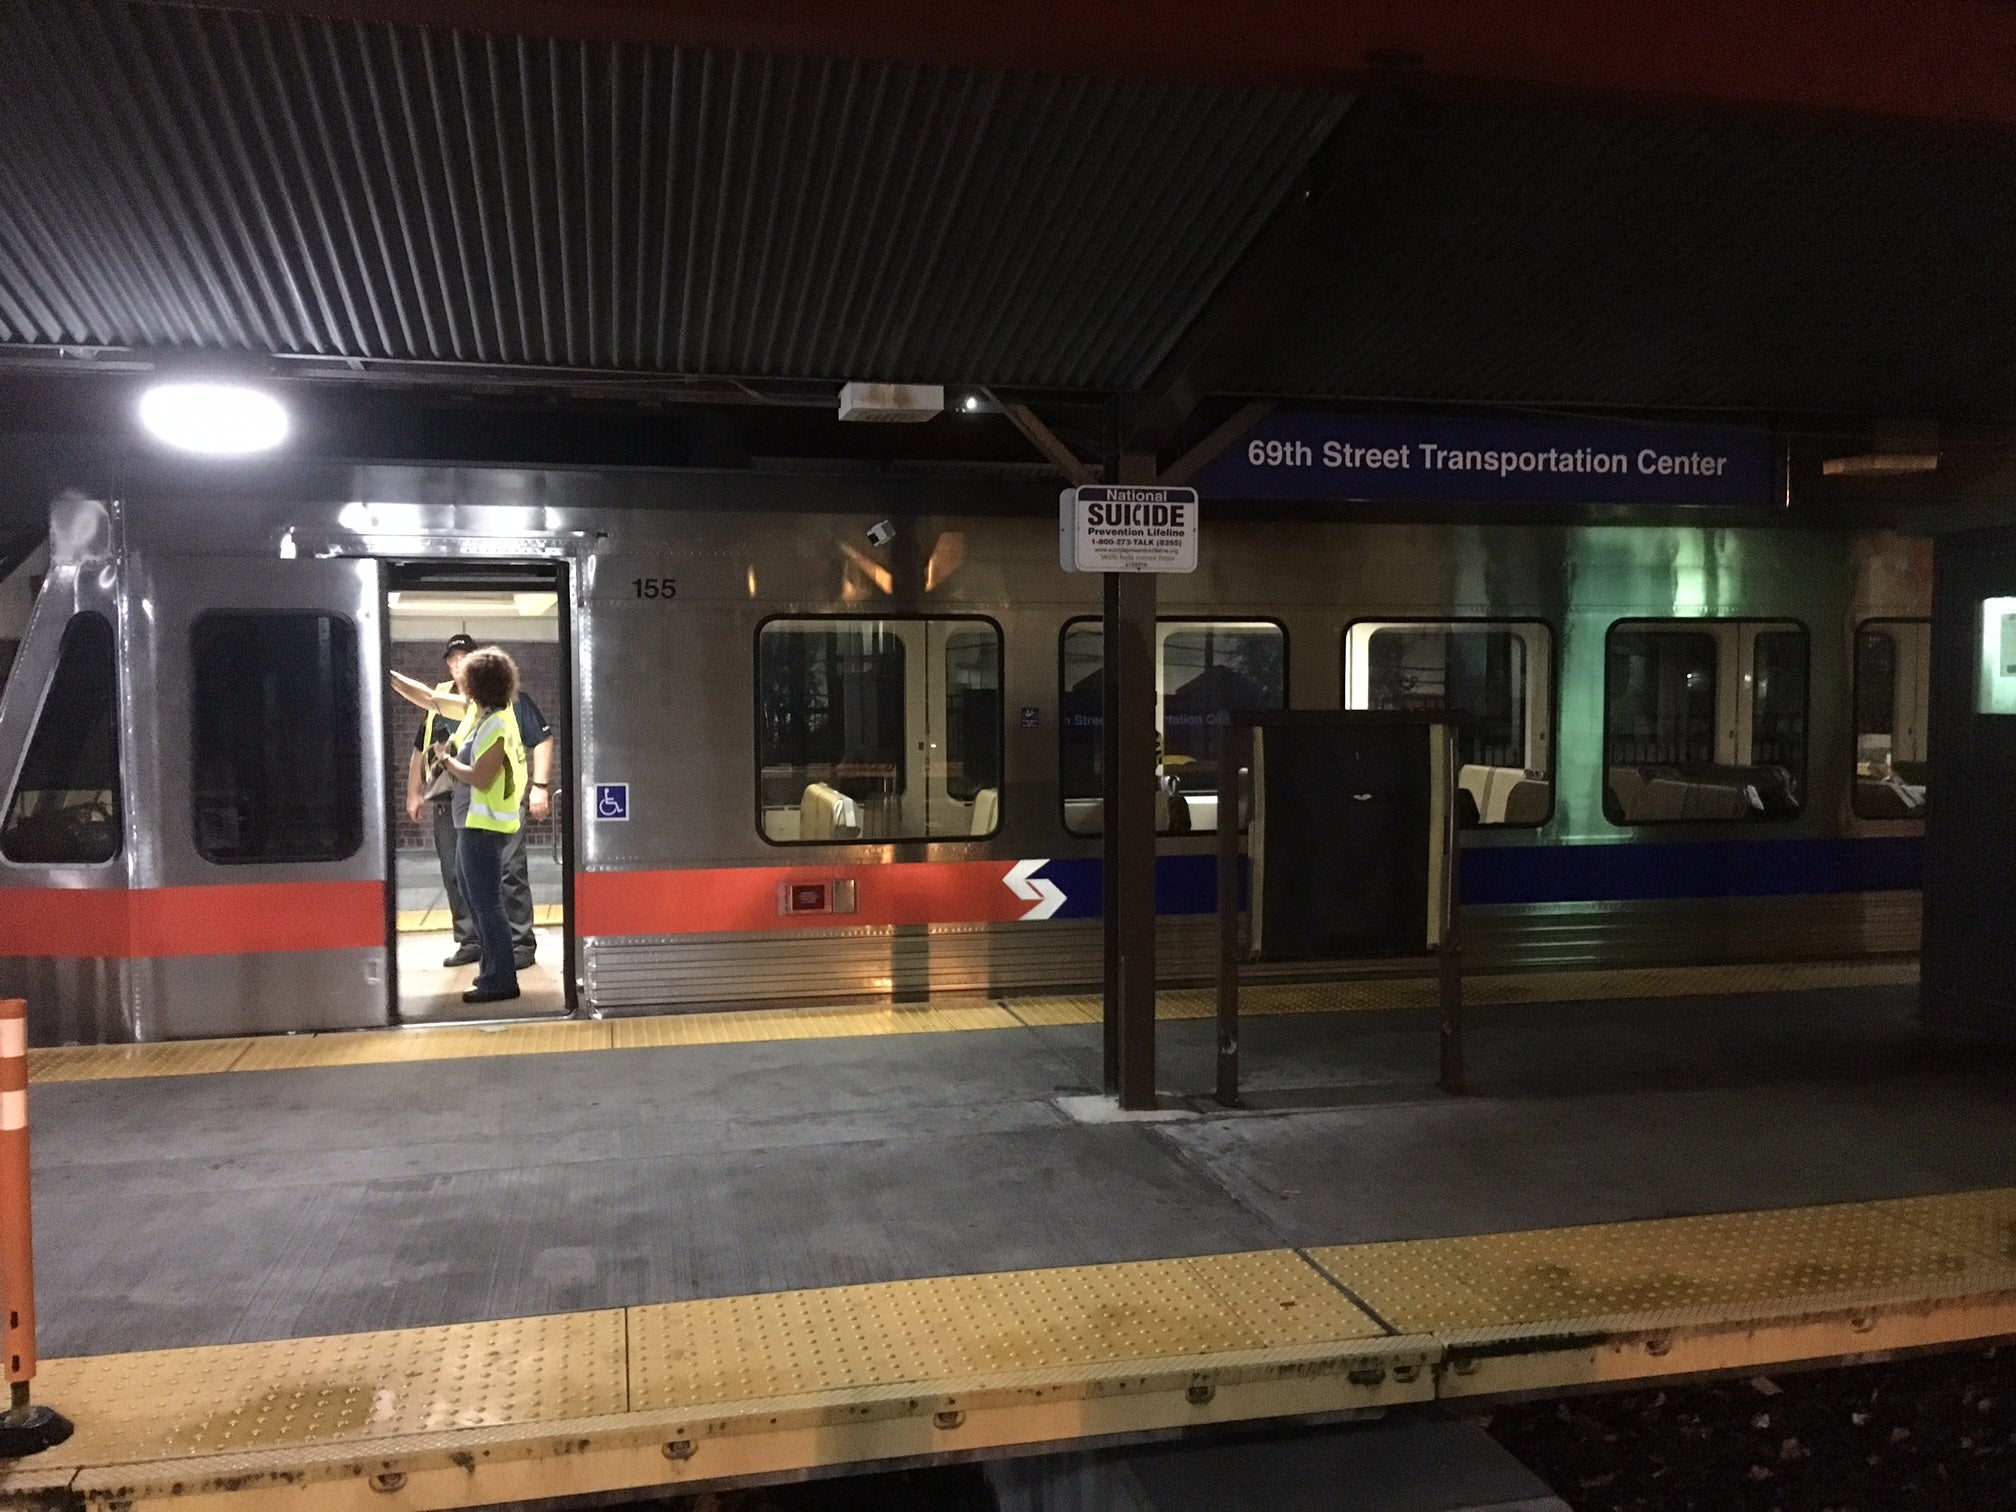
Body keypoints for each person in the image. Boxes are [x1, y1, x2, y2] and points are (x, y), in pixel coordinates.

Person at [400, 634, 555, 969]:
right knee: (467, 883)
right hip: (464, 808)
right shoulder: (472, 709)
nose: (457, 667)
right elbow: (426, 700)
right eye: (453, 660)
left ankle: (510, 956)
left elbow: (482, 774)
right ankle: (483, 951)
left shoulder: (501, 714)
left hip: (494, 810)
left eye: (465, 662)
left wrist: (449, 762)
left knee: (501, 880)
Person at [424, 646, 526, 1004]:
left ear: (476, 683)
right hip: (472, 823)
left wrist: (447, 760)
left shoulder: (497, 723)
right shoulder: (483, 718)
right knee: (477, 899)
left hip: (483, 825)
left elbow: (481, 777)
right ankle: (490, 974)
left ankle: (501, 979)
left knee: (486, 902)